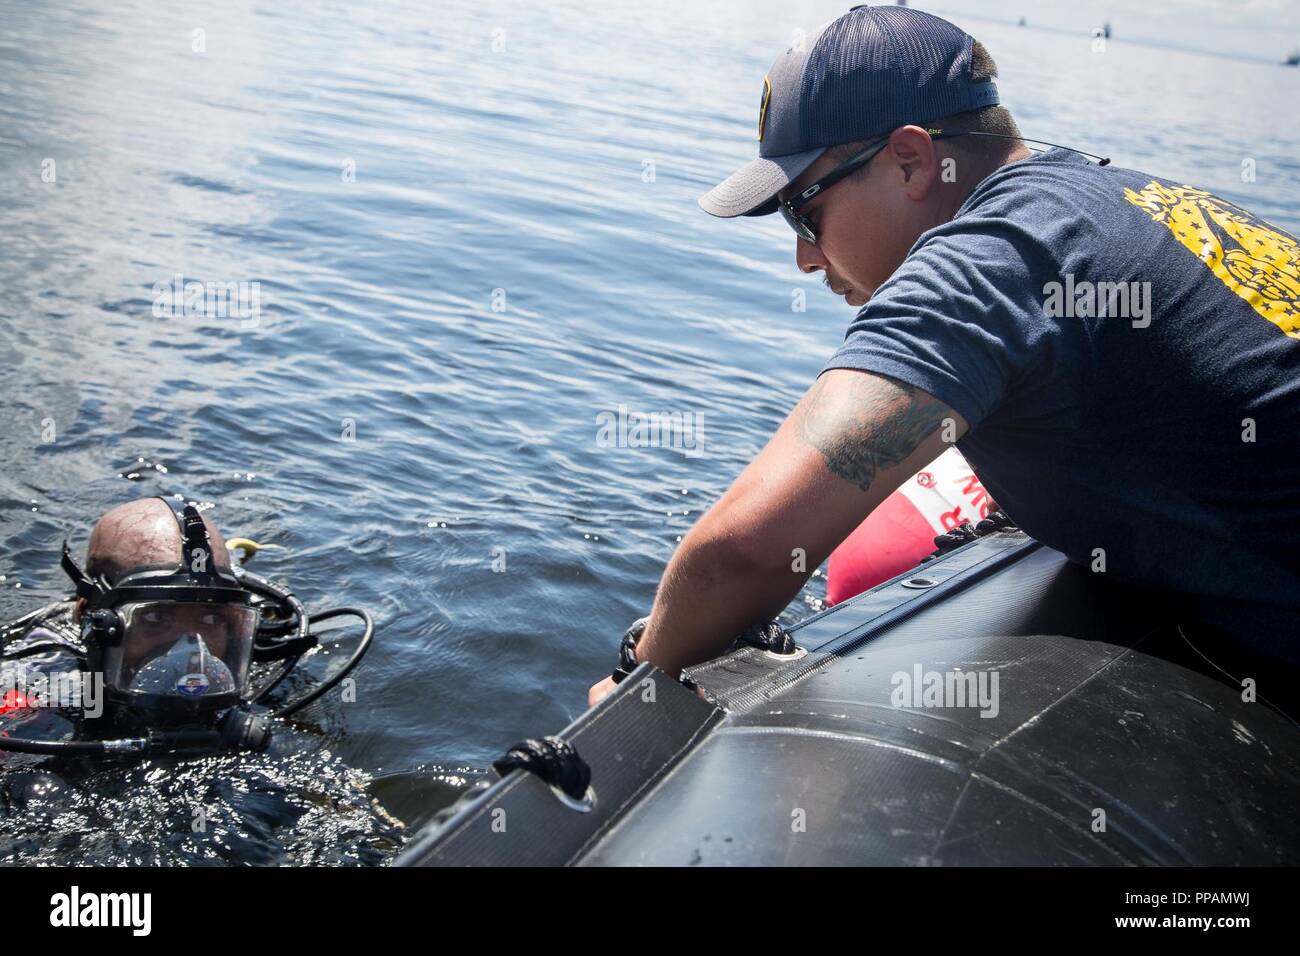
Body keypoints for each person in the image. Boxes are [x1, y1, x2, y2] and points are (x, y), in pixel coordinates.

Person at [589, 4, 1300, 705]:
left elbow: (745, 551)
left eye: (805, 212)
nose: (806, 257)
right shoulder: (1114, 192)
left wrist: (639, 683)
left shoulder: (989, 259)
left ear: (910, 160)